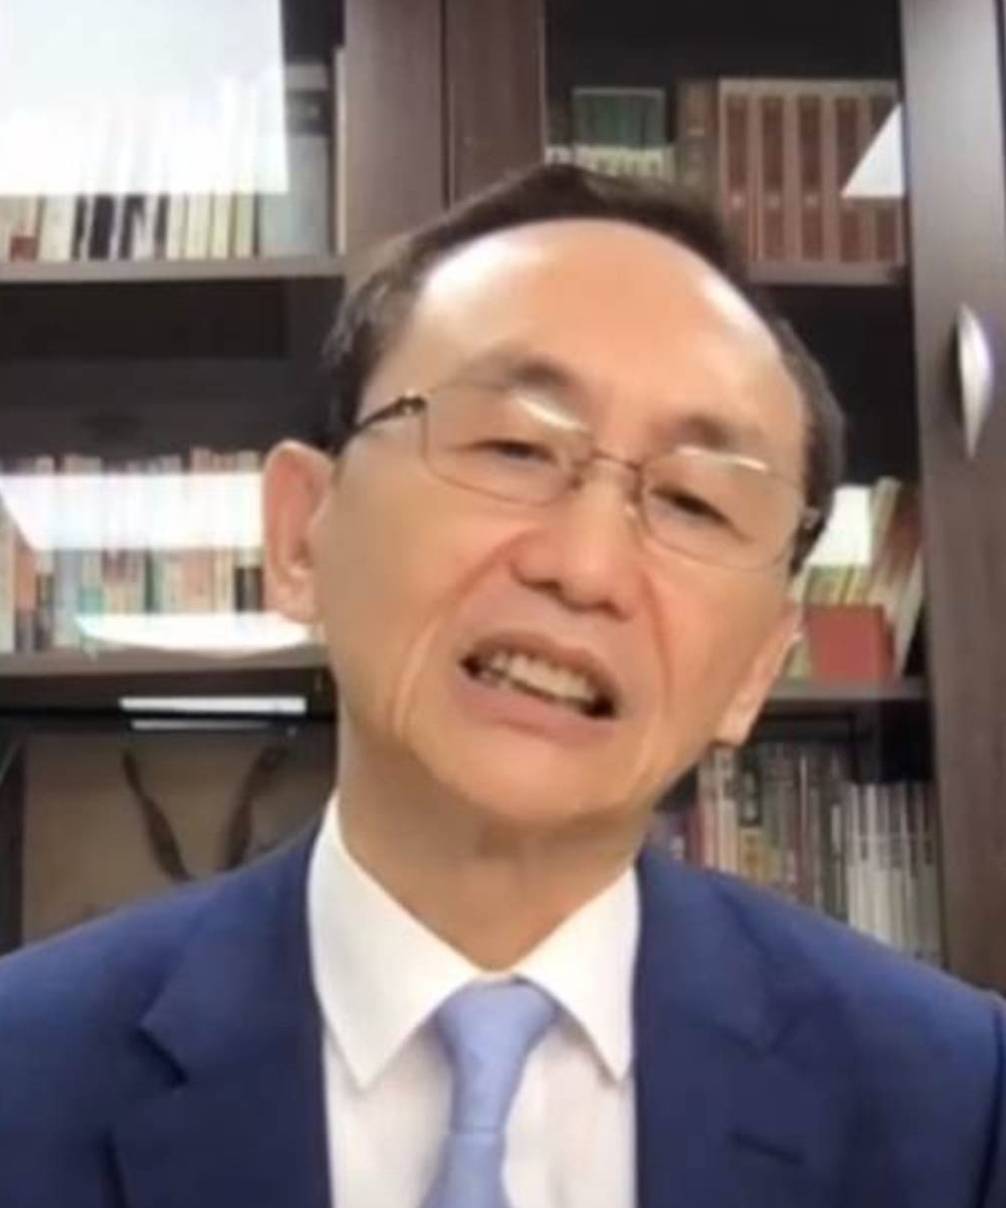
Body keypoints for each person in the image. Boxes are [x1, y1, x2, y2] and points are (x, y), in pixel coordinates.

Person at [0, 164, 1003, 1208]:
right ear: (302, 534)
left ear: (757, 666)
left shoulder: (956, 1104)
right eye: (516, 447)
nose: (585, 566)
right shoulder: (23, 1073)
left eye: (696, 504)